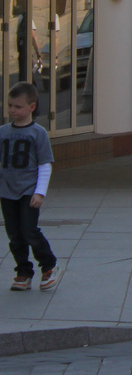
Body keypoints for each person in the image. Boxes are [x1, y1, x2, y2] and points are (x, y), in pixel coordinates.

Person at [1, 83, 58, 292]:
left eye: (17, 106)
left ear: (31, 107)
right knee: (14, 234)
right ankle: (23, 272)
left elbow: (44, 165)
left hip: (28, 192)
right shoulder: (3, 132)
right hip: (7, 192)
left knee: (29, 231)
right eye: (9, 106)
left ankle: (49, 266)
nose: (12, 110)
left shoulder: (38, 133)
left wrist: (40, 192)